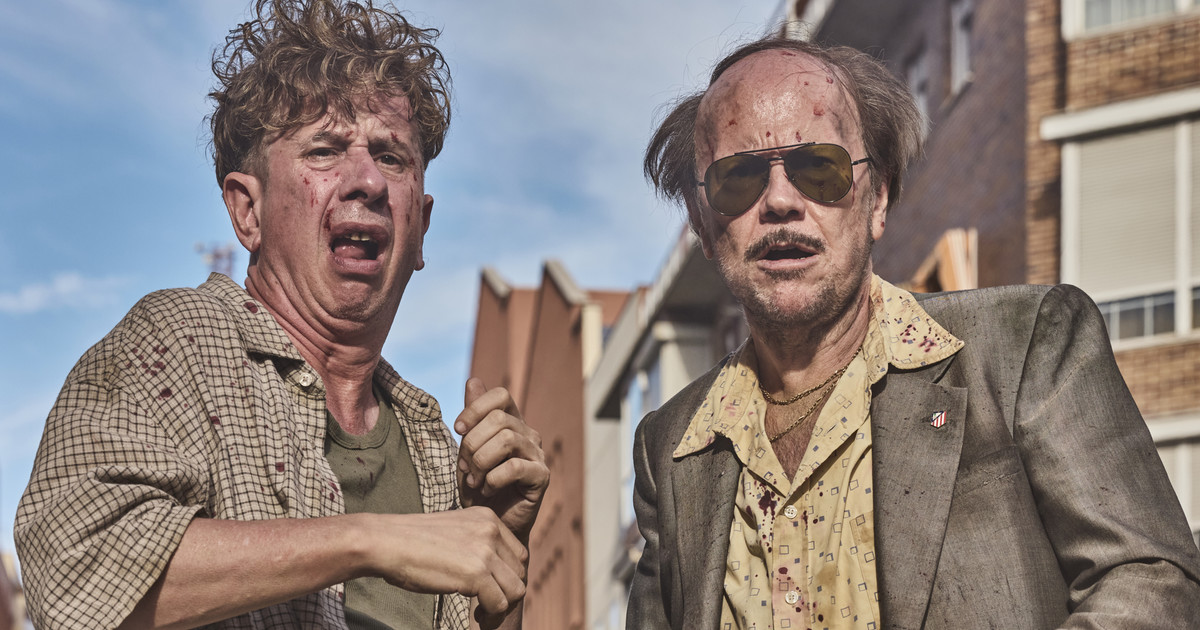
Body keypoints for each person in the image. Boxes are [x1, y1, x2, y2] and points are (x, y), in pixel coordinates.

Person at [629, 35, 1200, 629]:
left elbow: (1150, 579)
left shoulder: (1025, 347)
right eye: (737, 177)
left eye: (818, 168)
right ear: (701, 221)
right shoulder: (668, 449)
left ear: (877, 198)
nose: (779, 201)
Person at [14, 1, 548, 629]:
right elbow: (73, 572)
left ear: (421, 228)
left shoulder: (432, 444)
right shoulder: (172, 346)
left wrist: (504, 549)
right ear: (248, 211)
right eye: (325, 150)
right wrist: (369, 540)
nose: (368, 181)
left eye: (391, 156)